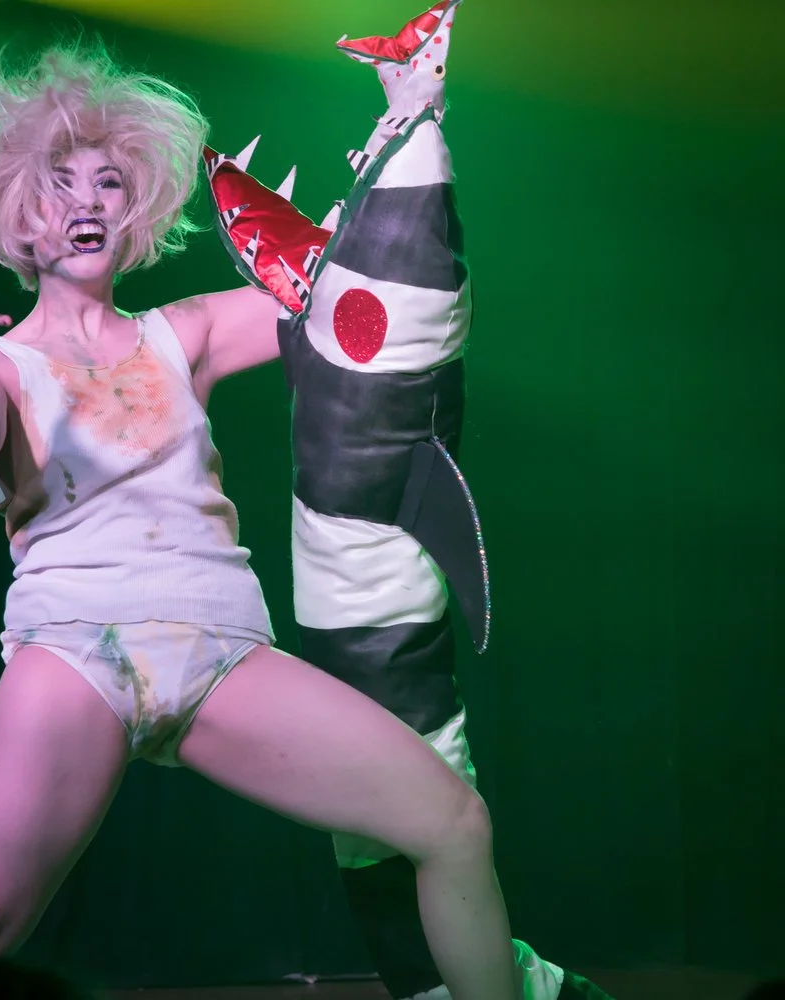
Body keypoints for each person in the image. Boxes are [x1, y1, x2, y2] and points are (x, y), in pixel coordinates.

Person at [0, 38, 522, 1000]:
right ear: (20, 215)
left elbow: (338, 287)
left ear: (135, 207)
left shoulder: (182, 332)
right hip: (76, 647)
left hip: (222, 651)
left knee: (454, 824)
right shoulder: (2, 364)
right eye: (59, 186)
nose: (85, 203)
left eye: (108, 183)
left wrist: (407, 121)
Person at [204, 3, 616, 998]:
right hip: (342, 640)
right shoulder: (341, 319)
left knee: (415, 829)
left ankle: (492, 983)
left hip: (379, 637)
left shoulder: (386, 342)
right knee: (382, 840)